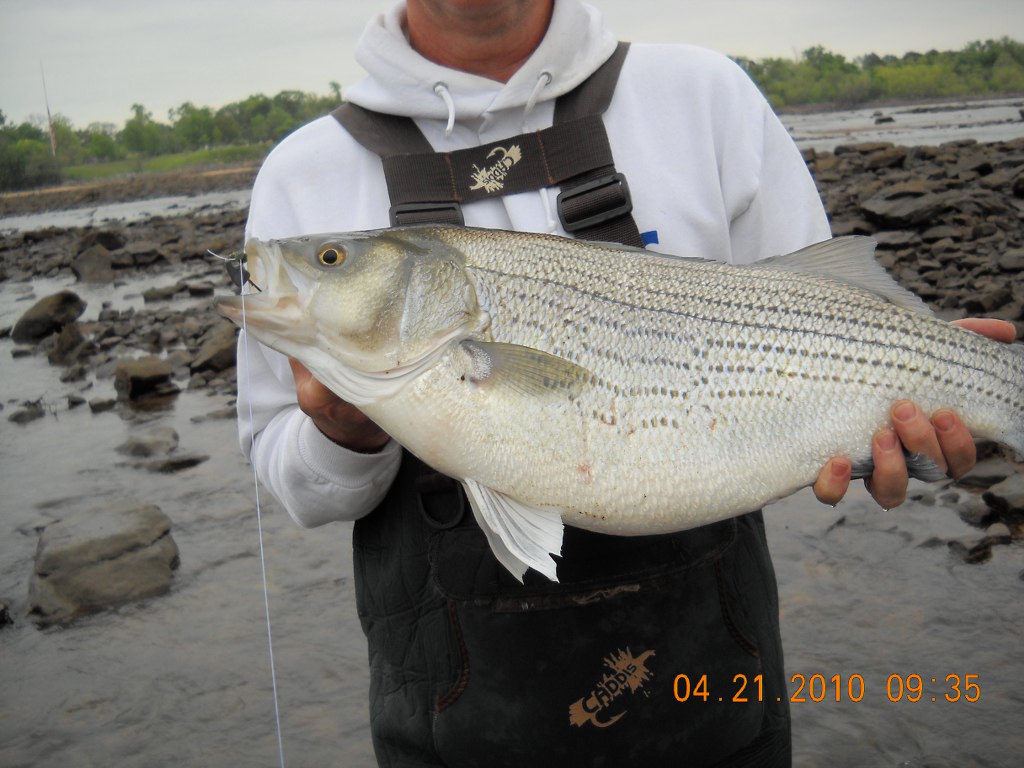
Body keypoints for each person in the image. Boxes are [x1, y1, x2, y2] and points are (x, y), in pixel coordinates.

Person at [237, 1, 1015, 765]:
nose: (314, 267)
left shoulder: (703, 95)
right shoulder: (304, 175)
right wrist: (346, 430)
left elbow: (825, 314)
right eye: (333, 258)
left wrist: (920, 422)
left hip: (715, 703)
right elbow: (297, 487)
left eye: (332, 260)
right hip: (451, 727)